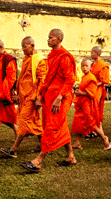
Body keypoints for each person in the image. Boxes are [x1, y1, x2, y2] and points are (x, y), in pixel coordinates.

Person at [21, 29, 77, 172]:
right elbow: (49, 78)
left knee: (52, 127)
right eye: (48, 37)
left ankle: (38, 161)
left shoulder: (65, 57)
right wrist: (42, 94)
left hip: (60, 97)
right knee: (59, 125)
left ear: (59, 39)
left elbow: (70, 80)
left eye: (51, 38)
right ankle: (71, 156)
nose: (48, 40)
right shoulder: (52, 55)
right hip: (50, 95)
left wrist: (59, 97)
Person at [1, 36, 46, 158]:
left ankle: (13, 149)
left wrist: (39, 97)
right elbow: (22, 78)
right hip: (24, 96)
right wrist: (16, 92)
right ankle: (45, 145)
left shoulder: (39, 60)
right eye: (22, 47)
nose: (23, 49)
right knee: (35, 123)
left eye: (25, 46)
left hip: (32, 97)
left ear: (32, 45)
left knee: (24, 122)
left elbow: (42, 81)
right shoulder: (26, 59)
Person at [71, 58, 111, 150]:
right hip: (81, 103)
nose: (84, 68)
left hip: (88, 104)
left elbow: (92, 93)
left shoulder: (91, 78)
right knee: (77, 122)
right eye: (82, 66)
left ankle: (105, 139)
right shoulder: (84, 77)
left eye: (86, 66)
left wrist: (81, 93)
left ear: (91, 68)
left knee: (91, 123)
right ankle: (78, 143)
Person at [89, 46, 111, 136]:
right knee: (90, 108)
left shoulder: (103, 65)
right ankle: (93, 129)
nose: (91, 54)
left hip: (98, 89)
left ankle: (98, 129)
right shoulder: (92, 64)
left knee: (96, 108)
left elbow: (104, 80)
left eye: (92, 52)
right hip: (91, 88)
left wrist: (94, 84)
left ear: (97, 54)